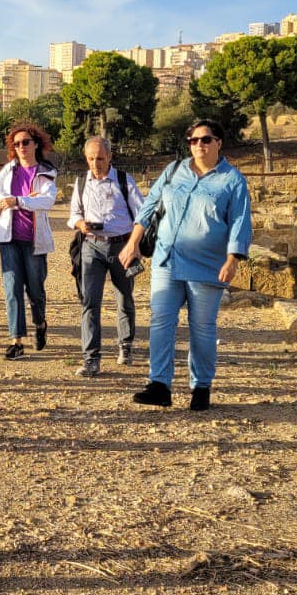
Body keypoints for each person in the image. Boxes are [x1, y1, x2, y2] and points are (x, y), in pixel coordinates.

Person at [119, 119, 252, 412]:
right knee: (160, 322)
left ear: (219, 143)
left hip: (207, 266)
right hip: (167, 259)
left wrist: (233, 259)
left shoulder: (232, 181)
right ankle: (159, 385)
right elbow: (149, 206)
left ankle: (201, 387)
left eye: (206, 139)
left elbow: (241, 223)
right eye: (193, 140)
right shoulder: (174, 170)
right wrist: (133, 243)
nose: (199, 145)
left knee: (202, 329)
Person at [68, 136, 146, 378]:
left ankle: (126, 345)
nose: (95, 163)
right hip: (91, 246)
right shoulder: (81, 182)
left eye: (100, 158)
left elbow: (143, 213)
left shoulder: (124, 180)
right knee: (90, 303)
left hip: (121, 246)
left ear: (110, 157)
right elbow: (73, 214)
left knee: (124, 298)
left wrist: (133, 244)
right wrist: (80, 223)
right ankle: (91, 359)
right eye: (91, 158)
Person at [0, 123, 57, 360]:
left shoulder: (46, 173)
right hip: (9, 238)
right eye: (16, 144)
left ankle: (40, 323)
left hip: (34, 241)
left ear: (36, 144)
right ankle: (16, 340)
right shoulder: (10, 170)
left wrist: (18, 200)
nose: (21, 147)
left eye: (25, 142)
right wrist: (13, 199)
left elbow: (46, 201)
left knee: (35, 290)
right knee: (12, 289)